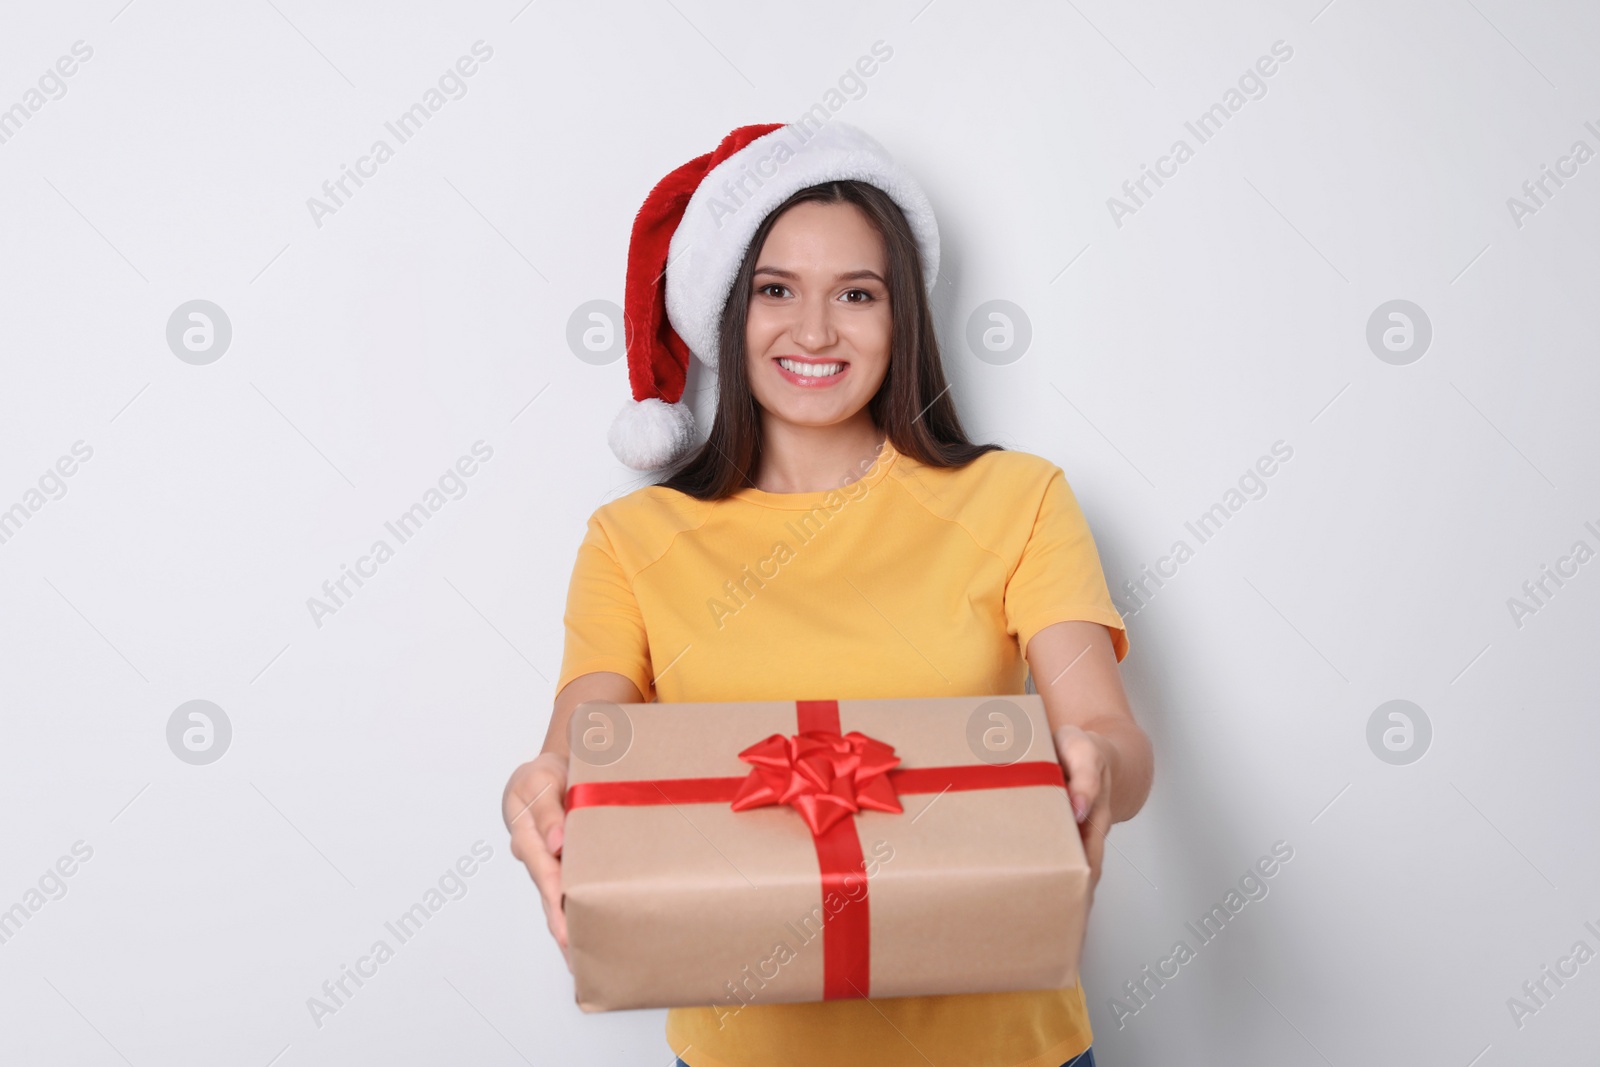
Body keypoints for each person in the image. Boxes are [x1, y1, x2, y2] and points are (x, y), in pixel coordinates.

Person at [503, 121, 1153, 1067]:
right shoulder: (632, 541)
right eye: (776, 291)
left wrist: (1097, 765)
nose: (813, 331)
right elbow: (582, 744)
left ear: (904, 319)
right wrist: (543, 786)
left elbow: (1114, 735)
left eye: (857, 293)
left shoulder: (1019, 500)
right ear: (730, 310)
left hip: (1008, 1046)